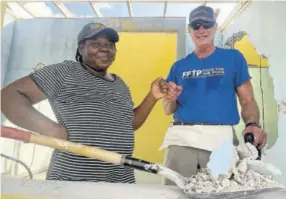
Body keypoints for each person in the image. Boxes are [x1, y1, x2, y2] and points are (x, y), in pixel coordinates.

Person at [1, 22, 168, 183]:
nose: (105, 48)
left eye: (110, 44)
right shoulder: (65, 72)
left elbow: (130, 124)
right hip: (72, 183)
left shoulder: (120, 84)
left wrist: (152, 97)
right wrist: (51, 129)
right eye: (95, 43)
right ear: (81, 48)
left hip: (120, 182)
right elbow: (9, 96)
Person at [160, 6, 267, 185]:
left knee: (223, 191)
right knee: (175, 192)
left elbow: (247, 100)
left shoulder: (233, 57)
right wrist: (171, 98)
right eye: (196, 25)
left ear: (215, 27)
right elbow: (167, 109)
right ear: (189, 30)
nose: (201, 30)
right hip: (182, 140)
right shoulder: (178, 66)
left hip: (221, 140)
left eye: (207, 24)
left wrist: (252, 124)